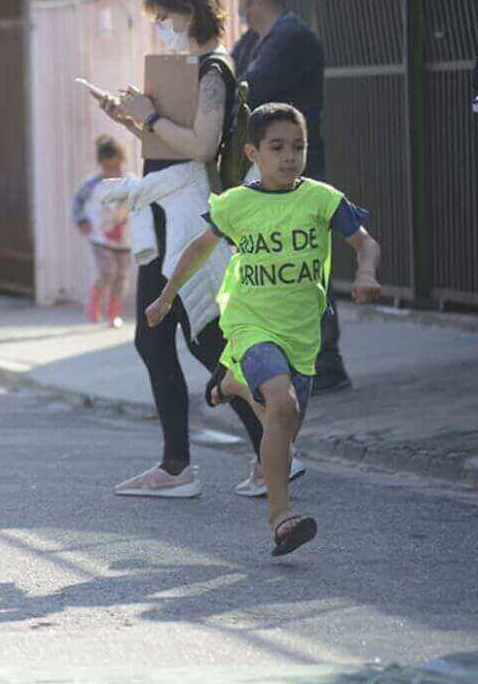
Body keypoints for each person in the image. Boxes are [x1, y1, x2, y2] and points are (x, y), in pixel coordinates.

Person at [146, 103, 380, 555]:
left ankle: (231, 381)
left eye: (298, 147)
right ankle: (281, 515)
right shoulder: (236, 204)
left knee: (285, 426)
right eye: (277, 148)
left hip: (301, 332)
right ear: (253, 152)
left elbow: (364, 242)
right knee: (281, 401)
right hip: (250, 322)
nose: (289, 156)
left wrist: (367, 272)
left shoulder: (322, 199)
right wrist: (166, 296)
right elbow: (197, 250)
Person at [93, 0, 276, 499]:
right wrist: (131, 118)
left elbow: (200, 146)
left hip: (189, 221)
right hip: (166, 217)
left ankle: (266, 447)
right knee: (160, 340)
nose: (161, 27)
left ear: (192, 11)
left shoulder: (212, 69)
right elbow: (172, 141)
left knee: (201, 338)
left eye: (165, 17)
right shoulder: (187, 68)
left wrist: (148, 120)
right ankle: (183, 465)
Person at [231, 0, 349, 395]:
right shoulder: (254, 41)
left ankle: (327, 363)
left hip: (298, 173)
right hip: (267, 177)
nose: (237, 0)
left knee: (306, 266)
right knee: (281, 268)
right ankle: (296, 359)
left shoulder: (289, 37)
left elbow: (245, 92)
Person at [71, 135, 135, 327]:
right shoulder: (91, 184)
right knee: (107, 272)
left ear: (121, 162)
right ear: (101, 164)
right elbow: (77, 203)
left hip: (125, 239)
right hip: (100, 237)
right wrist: (81, 220)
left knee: (121, 276)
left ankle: (113, 313)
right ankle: (94, 305)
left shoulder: (130, 183)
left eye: (115, 167)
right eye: (108, 168)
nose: (112, 172)